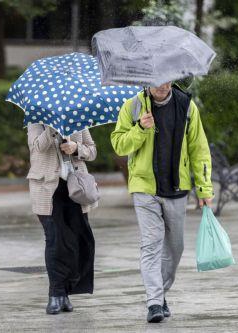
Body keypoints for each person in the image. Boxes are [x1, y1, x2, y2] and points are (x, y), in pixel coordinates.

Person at [111, 82, 214, 323]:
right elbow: (118, 144)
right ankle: (154, 302)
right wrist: (140, 128)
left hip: (177, 188)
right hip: (144, 188)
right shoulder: (133, 106)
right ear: (147, 81)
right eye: (157, 80)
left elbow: (199, 150)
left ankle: (161, 292)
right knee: (151, 245)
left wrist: (204, 189)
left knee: (175, 248)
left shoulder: (187, 106)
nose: (163, 85)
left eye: (167, 78)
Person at [26, 124, 96, 315]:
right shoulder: (36, 122)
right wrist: (52, 129)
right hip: (47, 189)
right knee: (56, 241)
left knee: (77, 241)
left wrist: (76, 148)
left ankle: (66, 292)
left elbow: (92, 150)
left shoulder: (78, 119)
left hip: (75, 188)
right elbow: (37, 146)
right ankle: (55, 294)